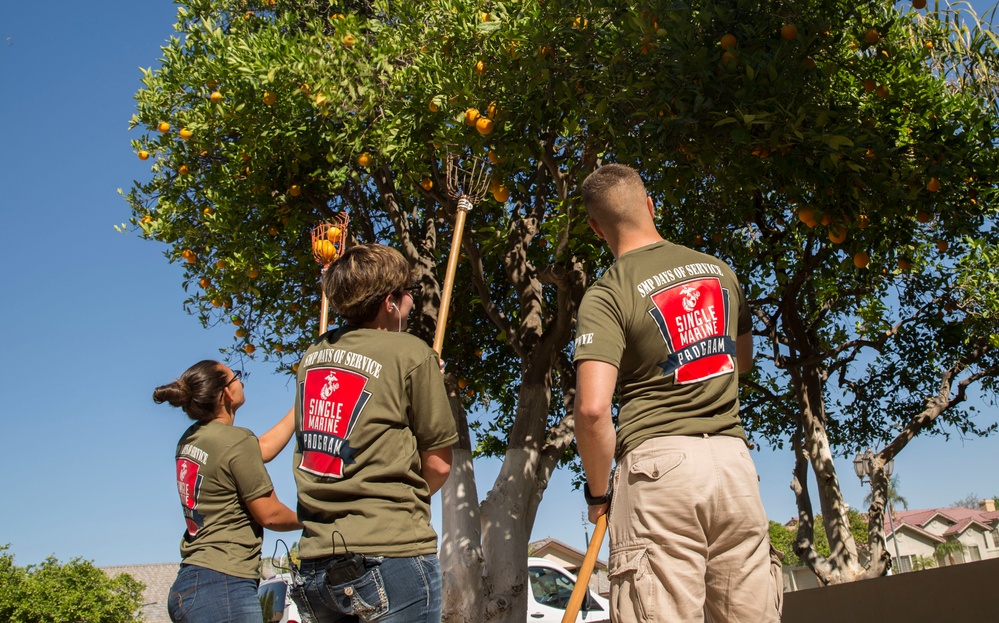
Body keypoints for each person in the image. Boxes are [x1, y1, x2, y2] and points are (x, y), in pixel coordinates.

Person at [572, 164, 782, 622]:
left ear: (595, 227)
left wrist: (598, 494)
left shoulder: (607, 293)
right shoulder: (720, 271)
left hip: (658, 470)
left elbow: (591, 409)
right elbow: (741, 360)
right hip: (733, 466)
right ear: (650, 205)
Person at [290, 243, 458, 623]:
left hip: (316, 563)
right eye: (408, 293)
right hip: (390, 553)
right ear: (389, 302)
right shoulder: (411, 353)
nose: (412, 302)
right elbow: (439, 464)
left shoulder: (311, 358)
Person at [154, 360, 303, 623]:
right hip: (224, 583)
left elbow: (262, 448)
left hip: (191, 584)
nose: (242, 381)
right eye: (236, 377)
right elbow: (270, 516)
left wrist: (300, 402)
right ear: (226, 394)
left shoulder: (192, 439)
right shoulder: (235, 441)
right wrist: (317, 518)